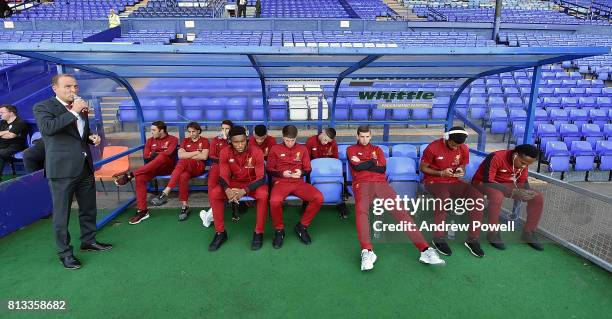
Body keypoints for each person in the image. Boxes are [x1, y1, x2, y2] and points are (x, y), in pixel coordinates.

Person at [33, 74, 111, 270]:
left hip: (84, 166)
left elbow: (78, 135)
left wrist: (90, 137)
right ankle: (65, 253)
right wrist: (74, 112)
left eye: (75, 86)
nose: (73, 90)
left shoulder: (79, 106)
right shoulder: (43, 107)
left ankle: (89, 241)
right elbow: (49, 129)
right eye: (68, 87)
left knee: (88, 208)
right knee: (62, 215)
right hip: (61, 170)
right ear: (55, 88)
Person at [347, 125, 445, 271]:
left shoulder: (378, 150)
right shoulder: (351, 150)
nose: (365, 139)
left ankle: (424, 250)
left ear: (371, 136)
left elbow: (382, 169)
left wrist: (365, 163)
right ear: (357, 136)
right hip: (362, 184)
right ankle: (367, 251)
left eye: (367, 136)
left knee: (402, 213)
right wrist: (371, 163)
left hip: (381, 184)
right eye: (362, 136)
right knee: (361, 212)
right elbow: (357, 168)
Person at [420, 126, 485, 258]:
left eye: (459, 145)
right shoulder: (433, 147)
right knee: (443, 198)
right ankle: (438, 238)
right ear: (447, 138)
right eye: (453, 144)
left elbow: (462, 166)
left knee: (477, 196)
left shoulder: (463, 148)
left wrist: (461, 171)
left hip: (454, 181)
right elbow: (423, 168)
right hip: (434, 181)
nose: (456, 148)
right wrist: (440, 172)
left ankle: (472, 239)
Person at [471, 144, 545, 251]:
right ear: (515, 155)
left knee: (538, 198)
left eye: (528, 164)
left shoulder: (524, 162)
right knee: (497, 196)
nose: (524, 166)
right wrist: (512, 191)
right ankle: (493, 233)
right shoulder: (496, 157)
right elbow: (488, 180)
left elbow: (522, 181)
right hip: (483, 183)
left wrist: (527, 191)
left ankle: (529, 232)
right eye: (523, 163)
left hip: (507, 185)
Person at [206, 126, 268, 251]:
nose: (240, 145)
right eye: (236, 142)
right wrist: (227, 189)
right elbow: (223, 176)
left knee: (263, 194)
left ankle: (259, 232)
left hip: (252, 184)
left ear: (247, 140)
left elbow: (261, 178)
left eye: (242, 141)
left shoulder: (256, 152)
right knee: (215, 193)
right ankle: (220, 232)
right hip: (234, 183)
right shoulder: (224, 152)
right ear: (230, 141)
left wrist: (245, 190)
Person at [267, 125, 323, 249]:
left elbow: (308, 169)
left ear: (296, 138)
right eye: (287, 140)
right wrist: (281, 173)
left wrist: (301, 173)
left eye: (292, 140)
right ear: (283, 137)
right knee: (274, 201)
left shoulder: (302, 149)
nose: (290, 143)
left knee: (318, 197)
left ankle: (302, 226)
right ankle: (279, 230)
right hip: (280, 182)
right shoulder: (275, 149)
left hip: (298, 182)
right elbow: (269, 169)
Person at [114, 121, 178, 225]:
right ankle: (142, 211)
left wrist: (155, 154)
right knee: (140, 178)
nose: (151, 132)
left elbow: (169, 153)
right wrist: (157, 154)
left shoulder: (173, 139)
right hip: (151, 168)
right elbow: (146, 156)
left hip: (167, 168)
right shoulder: (150, 141)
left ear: (162, 131)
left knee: (162, 157)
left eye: (153, 130)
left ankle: (131, 175)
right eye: (151, 129)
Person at [150, 122, 209, 221]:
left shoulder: (204, 141)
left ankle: (165, 192)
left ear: (198, 131)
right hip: (186, 167)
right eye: (189, 131)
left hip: (199, 167)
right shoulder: (185, 141)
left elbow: (204, 156)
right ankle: (184, 206)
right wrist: (196, 152)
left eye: (193, 131)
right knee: (183, 176)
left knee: (183, 162)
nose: (191, 134)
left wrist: (188, 154)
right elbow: (180, 155)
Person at [304, 127, 350, 219]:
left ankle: (341, 202)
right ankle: (306, 202)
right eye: (325, 139)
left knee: (341, 175)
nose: (325, 143)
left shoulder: (333, 143)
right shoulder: (311, 141)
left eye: (328, 141)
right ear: (323, 132)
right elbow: (306, 160)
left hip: (329, 170)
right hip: (314, 171)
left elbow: (335, 161)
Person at [0, 104, 28, 179]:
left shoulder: (20, 122)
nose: (0, 114)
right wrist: (7, 131)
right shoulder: (3, 122)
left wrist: (3, 133)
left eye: (2, 112)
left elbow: (11, 135)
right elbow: (9, 134)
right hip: (3, 145)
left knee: (1, 154)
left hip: (15, 146)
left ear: (11, 112)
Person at [207, 120, 233, 192]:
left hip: (232, 164)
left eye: (227, 129)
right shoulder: (216, 140)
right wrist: (222, 161)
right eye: (222, 129)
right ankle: (213, 199)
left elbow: (235, 152)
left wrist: (227, 140)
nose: (224, 131)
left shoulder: (234, 140)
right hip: (218, 164)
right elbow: (211, 156)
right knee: (214, 174)